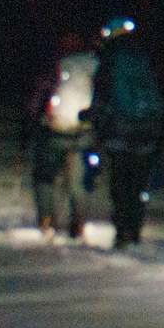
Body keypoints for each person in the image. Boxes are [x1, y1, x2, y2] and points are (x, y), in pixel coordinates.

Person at [81, 16, 164, 250]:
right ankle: (135, 229)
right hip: (146, 130)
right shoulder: (143, 58)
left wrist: (93, 118)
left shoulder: (109, 60)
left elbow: (101, 96)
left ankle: (122, 233)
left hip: (119, 131)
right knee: (139, 182)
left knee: (120, 183)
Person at [23, 32, 95, 237]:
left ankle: (47, 220)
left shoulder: (56, 65)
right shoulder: (93, 64)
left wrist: (32, 124)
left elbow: (37, 100)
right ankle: (78, 221)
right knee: (76, 179)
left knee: (45, 175)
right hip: (83, 131)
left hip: (54, 131)